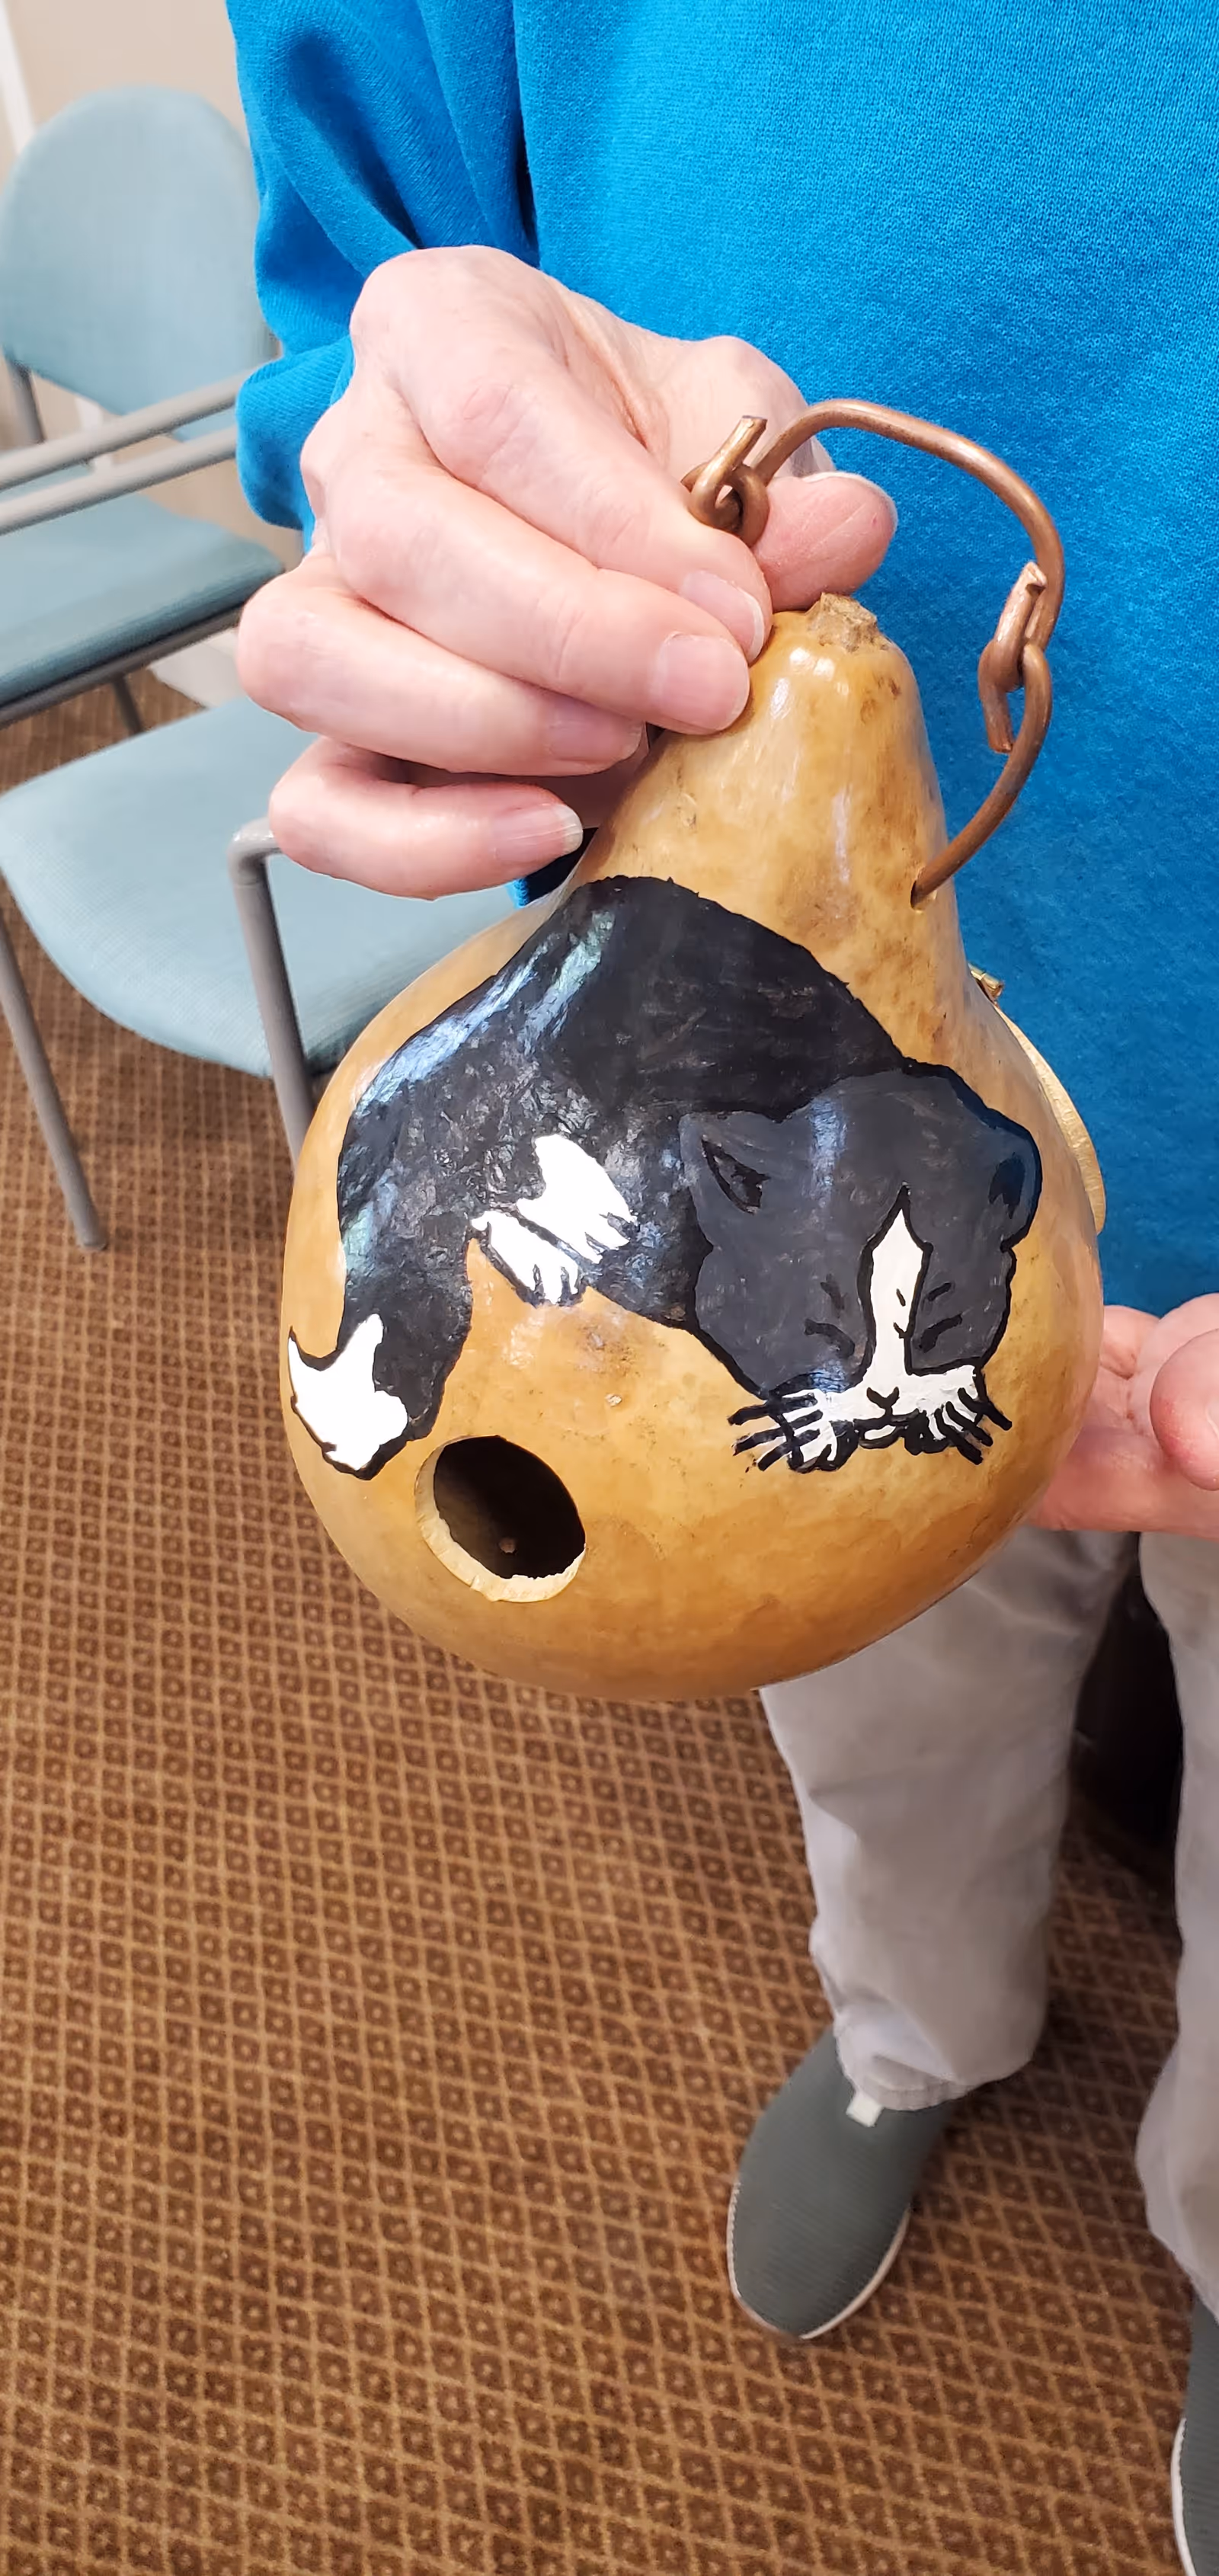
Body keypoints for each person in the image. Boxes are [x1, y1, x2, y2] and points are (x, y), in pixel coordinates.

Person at [222, 4, 1219, 2563]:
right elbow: (361, 254)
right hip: (741, 1262)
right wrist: (398, 430)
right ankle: (918, 2034)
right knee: (881, 1726)